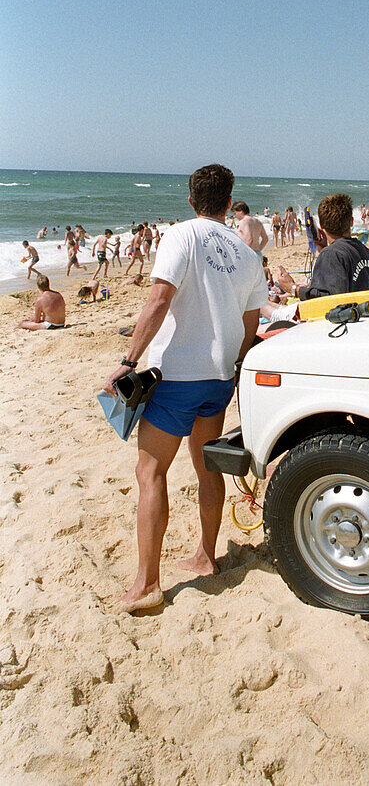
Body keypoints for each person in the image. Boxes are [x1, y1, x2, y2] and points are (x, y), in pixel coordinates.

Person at [102, 164, 268, 614]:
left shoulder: (182, 235)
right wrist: (232, 369)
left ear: (191, 200)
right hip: (219, 377)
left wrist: (127, 361)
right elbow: (250, 326)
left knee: (150, 473)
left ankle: (146, 584)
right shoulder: (250, 254)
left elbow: (159, 299)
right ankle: (205, 557)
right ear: (230, 201)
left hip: (177, 375)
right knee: (206, 468)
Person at [276, 194, 369, 302]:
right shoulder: (367, 253)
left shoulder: (332, 254)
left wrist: (293, 289)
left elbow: (325, 300)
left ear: (321, 225)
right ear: (351, 221)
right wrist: (325, 248)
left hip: (348, 316)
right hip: (364, 312)